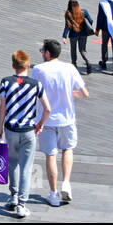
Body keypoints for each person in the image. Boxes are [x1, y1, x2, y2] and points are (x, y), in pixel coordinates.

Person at [31, 38, 89, 207]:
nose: (42, 53)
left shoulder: (39, 70)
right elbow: (84, 92)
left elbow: (34, 92)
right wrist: (71, 95)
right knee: (68, 149)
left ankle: (53, 193)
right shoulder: (69, 68)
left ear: (47, 53)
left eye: (42, 51)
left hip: (46, 120)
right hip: (67, 119)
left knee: (51, 155)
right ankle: (67, 183)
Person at [0, 49, 51, 218]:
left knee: (12, 163)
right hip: (28, 131)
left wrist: (0, 128)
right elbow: (48, 109)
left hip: (11, 129)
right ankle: (22, 203)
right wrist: (40, 124)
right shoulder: (36, 85)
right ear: (28, 65)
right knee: (26, 168)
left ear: (13, 65)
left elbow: (2, 107)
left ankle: (13, 195)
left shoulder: (5, 82)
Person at [63, 0, 94, 75]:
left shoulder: (68, 13)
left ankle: (74, 65)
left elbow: (67, 26)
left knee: (73, 50)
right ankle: (88, 62)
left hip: (73, 34)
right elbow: (91, 21)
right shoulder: (84, 11)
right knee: (82, 50)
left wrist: (64, 37)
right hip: (83, 34)